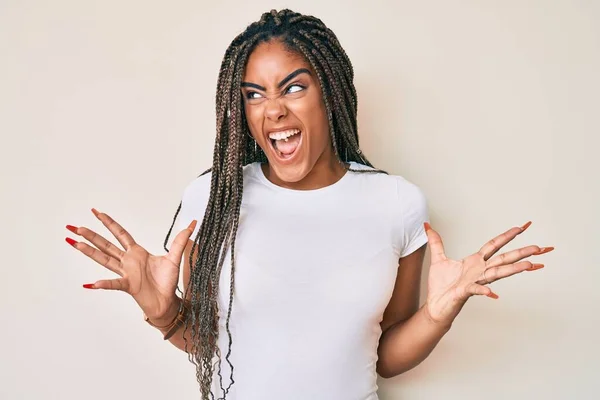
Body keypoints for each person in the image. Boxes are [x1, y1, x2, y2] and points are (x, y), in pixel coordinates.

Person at [64, 9, 554, 400]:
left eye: (294, 87)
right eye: (254, 95)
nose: (273, 109)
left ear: (331, 93)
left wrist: (439, 312)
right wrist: (162, 311)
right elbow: (210, 346)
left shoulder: (397, 202)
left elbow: (382, 356)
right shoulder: (214, 196)